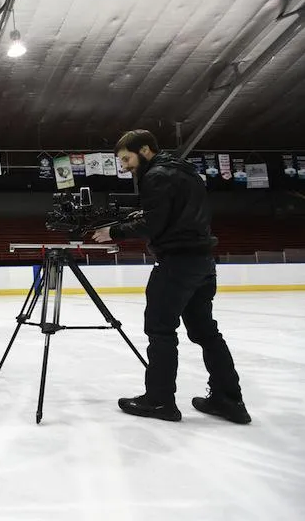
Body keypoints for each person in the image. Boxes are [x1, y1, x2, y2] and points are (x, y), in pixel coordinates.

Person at [92, 129, 250, 424]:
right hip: (202, 262)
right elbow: (170, 216)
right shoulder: (185, 171)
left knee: (160, 330)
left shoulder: (156, 176)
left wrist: (113, 231)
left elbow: (154, 223)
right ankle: (229, 400)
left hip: (177, 263)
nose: (123, 166)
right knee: (206, 332)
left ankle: (159, 400)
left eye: (126, 158)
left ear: (145, 150)